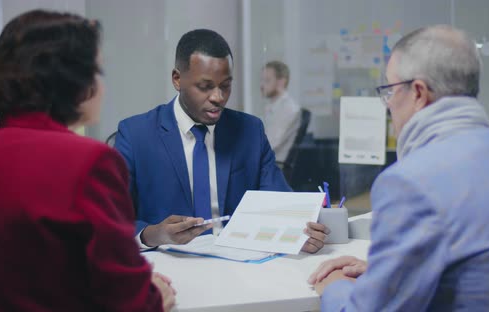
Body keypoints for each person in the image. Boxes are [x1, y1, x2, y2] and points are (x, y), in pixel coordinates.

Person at [308, 25, 489, 310]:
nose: (387, 105)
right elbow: (478, 272)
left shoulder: (411, 182)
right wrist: (383, 273)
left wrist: (335, 287)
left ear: (419, 92)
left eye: (389, 90)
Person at [0, 10, 175, 311]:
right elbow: (130, 302)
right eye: (98, 72)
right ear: (75, 81)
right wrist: (154, 295)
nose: (103, 87)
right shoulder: (91, 162)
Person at [115, 29, 329, 253]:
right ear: (177, 79)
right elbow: (112, 220)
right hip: (169, 265)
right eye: (205, 87)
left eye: (225, 86)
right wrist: (153, 234)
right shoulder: (136, 134)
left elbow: (281, 204)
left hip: (241, 263)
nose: (218, 97)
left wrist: (301, 232)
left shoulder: (250, 132)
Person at [260, 61, 301, 163]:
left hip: (275, 166)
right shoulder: (273, 107)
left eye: (267, 80)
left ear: (281, 82)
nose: (262, 85)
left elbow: (270, 144)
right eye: (262, 80)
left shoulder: (288, 109)